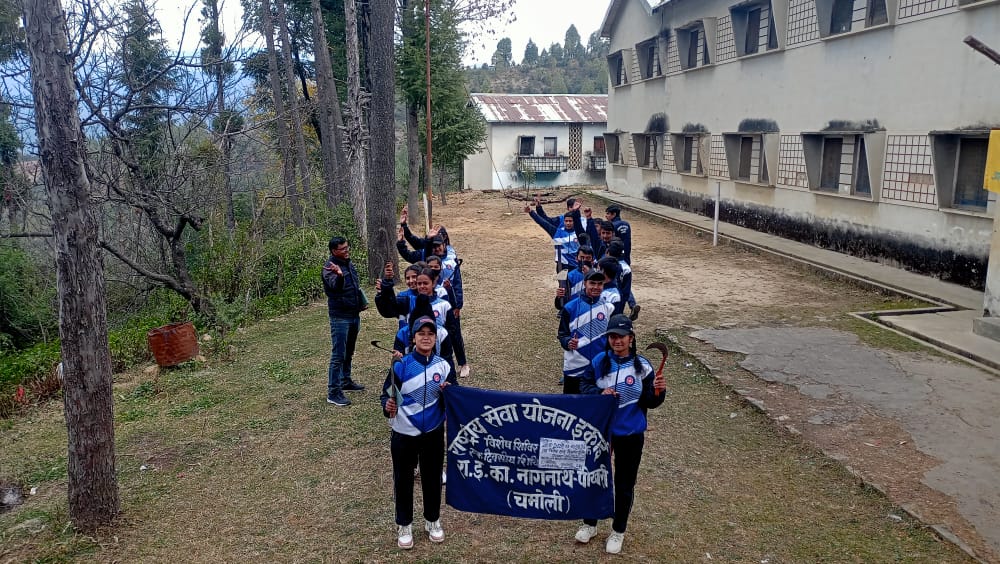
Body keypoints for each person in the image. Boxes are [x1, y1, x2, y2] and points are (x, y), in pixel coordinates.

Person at [575, 314, 666, 554]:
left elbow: (649, 401)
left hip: (630, 433)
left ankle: (618, 530)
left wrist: (659, 392)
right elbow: (583, 387)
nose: (617, 341)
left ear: (631, 338)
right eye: (612, 336)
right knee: (594, 477)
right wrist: (599, 392)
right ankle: (590, 523)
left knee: (624, 484)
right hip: (601, 432)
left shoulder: (643, 367)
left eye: (621, 337)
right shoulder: (598, 361)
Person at [380, 315, 456, 549]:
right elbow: (387, 395)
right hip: (403, 433)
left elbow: (453, 399)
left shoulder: (444, 366)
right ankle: (404, 524)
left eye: (430, 334)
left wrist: (447, 391)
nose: (426, 337)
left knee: (432, 478)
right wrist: (387, 405)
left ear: (435, 338)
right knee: (403, 480)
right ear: (413, 338)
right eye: (421, 334)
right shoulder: (400, 365)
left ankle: (432, 520)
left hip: (432, 432)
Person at [322, 236, 366, 407]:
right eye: (343, 249)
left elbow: (354, 286)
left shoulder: (348, 263)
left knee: (349, 351)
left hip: (353, 314)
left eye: (347, 247)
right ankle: (333, 392)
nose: (347, 251)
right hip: (340, 317)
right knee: (338, 355)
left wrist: (359, 302)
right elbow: (335, 286)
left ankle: (345, 380)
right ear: (334, 251)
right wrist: (339, 276)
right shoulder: (329, 268)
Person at [557, 269, 616, 394]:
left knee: (595, 405)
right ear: (585, 283)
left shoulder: (609, 308)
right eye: (592, 283)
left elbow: (613, 337)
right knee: (571, 405)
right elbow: (562, 334)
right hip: (575, 366)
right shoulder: (570, 307)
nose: (596, 287)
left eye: (600, 284)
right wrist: (568, 342)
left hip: (599, 365)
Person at [526, 202, 580, 272]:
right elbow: (543, 222)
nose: (568, 223)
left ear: (574, 221)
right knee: (562, 283)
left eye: (570, 221)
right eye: (566, 221)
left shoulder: (579, 233)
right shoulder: (557, 232)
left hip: (576, 266)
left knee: (576, 282)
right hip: (562, 266)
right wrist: (531, 212)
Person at [607, 240, 640, 321]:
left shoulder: (606, 265)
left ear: (608, 252)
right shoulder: (626, 268)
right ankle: (632, 305)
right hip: (619, 297)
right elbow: (626, 291)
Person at [554, 245, 593, 311]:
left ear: (592, 259)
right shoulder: (569, 277)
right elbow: (561, 304)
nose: (584, 260)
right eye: (582, 257)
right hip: (575, 311)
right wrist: (559, 297)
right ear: (576, 258)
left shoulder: (598, 275)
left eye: (588, 258)